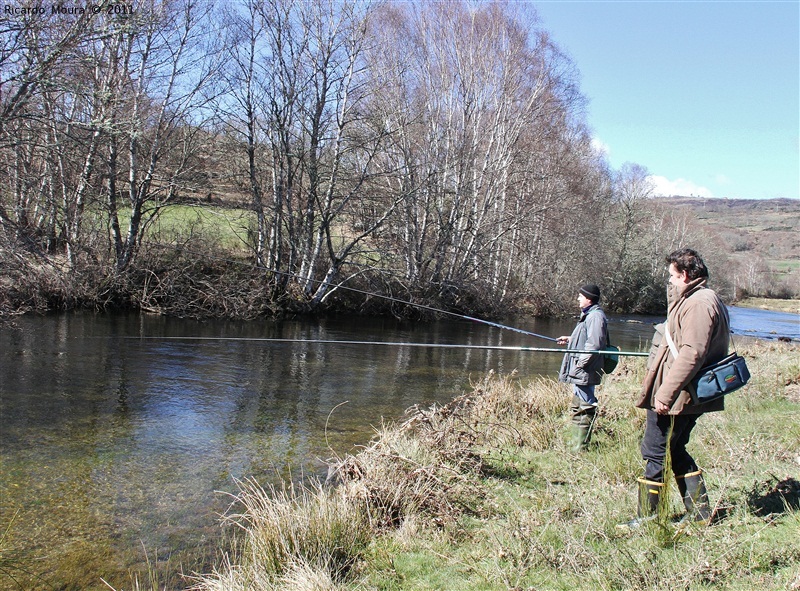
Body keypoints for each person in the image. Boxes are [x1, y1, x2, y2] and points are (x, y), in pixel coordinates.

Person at [622, 248, 730, 529]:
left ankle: (647, 518)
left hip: (678, 395)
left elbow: (692, 352)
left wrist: (665, 393)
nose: (668, 281)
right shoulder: (700, 298)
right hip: (683, 393)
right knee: (675, 448)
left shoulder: (698, 303)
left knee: (655, 450)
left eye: (671, 275)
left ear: (684, 275)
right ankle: (700, 513)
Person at [557, 284, 609, 452]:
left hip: (585, 369)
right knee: (578, 403)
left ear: (589, 298)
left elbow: (594, 344)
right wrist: (570, 339)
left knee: (585, 405)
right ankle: (575, 444)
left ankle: (580, 448)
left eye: (580, 296)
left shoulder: (595, 317)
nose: (578, 299)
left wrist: (580, 365)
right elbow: (586, 338)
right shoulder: (589, 315)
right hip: (583, 368)